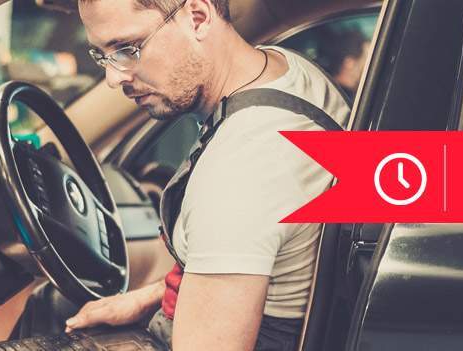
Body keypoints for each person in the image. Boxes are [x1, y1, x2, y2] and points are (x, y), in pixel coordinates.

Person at [64, 0, 350, 350]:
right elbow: (250, 250)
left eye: (127, 49)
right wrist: (148, 298)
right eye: (102, 56)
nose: (114, 77)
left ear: (197, 18)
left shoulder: (242, 165)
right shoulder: (286, 69)